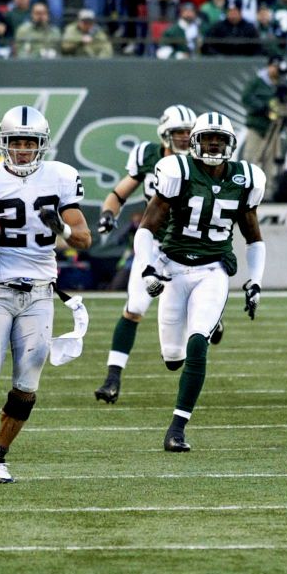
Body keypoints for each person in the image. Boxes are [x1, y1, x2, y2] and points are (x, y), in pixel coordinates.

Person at [0, 106, 92, 483]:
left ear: (42, 145)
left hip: (41, 292)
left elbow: (84, 238)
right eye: (16, 142)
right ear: (3, 142)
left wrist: (58, 225)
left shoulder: (60, 177)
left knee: (27, 382)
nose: (23, 150)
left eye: (30, 143)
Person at [134, 111, 266, 452]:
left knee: (196, 345)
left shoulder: (245, 178)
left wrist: (255, 282)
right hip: (174, 268)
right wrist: (148, 268)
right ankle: (211, 323)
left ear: (229, 144)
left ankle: (177, 428)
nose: (213, 145)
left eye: (219, 140)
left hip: (213, 270)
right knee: (173, 358)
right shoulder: (176, 171)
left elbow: (254, 238)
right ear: (194, 142)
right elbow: (147, 228)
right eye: (207, 138)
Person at [93, 104, 204, 404]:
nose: (183, 138)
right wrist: (108, 213)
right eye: (178, 132)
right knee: (136, 306)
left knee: (192, 314)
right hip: (154, 241)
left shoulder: (202, 160)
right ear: (165, 134)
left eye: (187, 132)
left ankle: (213, 317)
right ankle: (112, 378)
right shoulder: (148, 156)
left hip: (189, 243)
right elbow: (119, 193)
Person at [240, 56, 287, 195]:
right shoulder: (257, 82)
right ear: (270, 66)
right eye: (275, 68)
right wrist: (263, 107)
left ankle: (267, 192)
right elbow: (246, 97)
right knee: (251, 157)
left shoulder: (283, 85)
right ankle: (246, 191)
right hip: (258, 126)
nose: (277, 72)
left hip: (275, 128)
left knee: (270, 163)